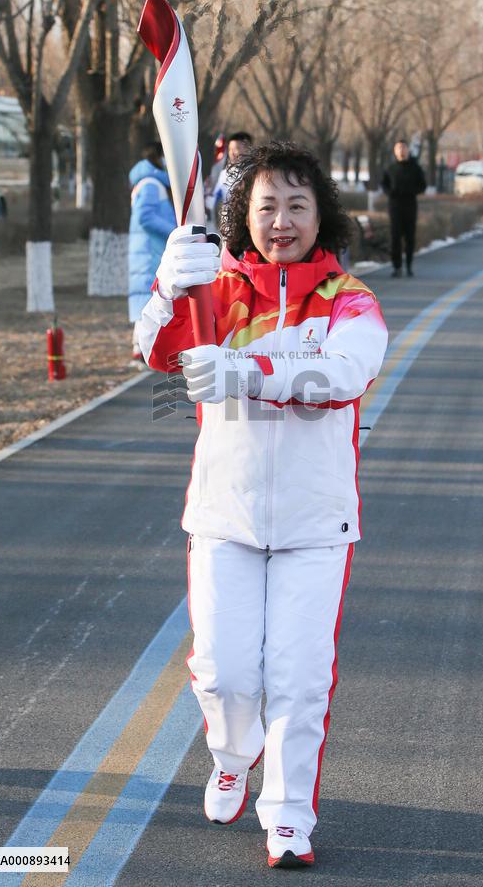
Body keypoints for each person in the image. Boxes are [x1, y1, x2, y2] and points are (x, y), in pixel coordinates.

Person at [138, 142, 388, 869]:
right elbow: (155, 353)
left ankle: (288, 817)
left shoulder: (348, 298)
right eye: (267, 205)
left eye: (296, 205)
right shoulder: (216, 291)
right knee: (222, 675)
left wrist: (243, 369)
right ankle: (231, 754)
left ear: (320, 214)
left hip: (316, 524)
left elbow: (343, 375)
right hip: (225, 514)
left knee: (299, 681)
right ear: (244, 217)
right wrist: (167, 288)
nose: (282, 221)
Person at [128, 141, 176, 365]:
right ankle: (140, 349)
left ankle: (141, 348)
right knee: (148, 299)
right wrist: (174, 231)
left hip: (148, 249)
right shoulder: (151, 184)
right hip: (149, 251)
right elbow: (145, 217)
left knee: (148, 297)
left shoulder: (151, 182)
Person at [381, 139, 426, 277]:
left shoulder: (415, 167)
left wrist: (412, 191)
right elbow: (384, 184)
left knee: (409, 237)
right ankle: (397, 267)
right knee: (395, 237)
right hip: (395, 205)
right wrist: (391, 192)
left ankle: (409, 265)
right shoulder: (390, 168)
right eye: (398, 148)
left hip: (410, 205)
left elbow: (422, 185)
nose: (401, 150)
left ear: (408, 150)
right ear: (395, 151)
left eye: (403, 148)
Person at [211, 130, 253, 222]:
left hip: (250, 222)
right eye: (230, 149)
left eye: (236, 148)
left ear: (248, 149)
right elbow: (214, 199)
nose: (232, 153)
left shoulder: (257, 172)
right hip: (228, 224)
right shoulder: (224, 174)